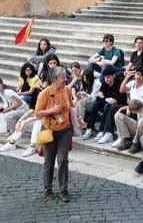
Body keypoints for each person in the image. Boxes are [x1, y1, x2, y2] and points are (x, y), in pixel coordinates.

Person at [35, 66, 73, 202]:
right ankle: (48, 188)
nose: (66, 79)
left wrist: (77, 118)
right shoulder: (44, 94)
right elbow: (37, 113)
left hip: (65, 129)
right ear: (55, 79)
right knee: (48, 161)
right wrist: (51, 110)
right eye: (63, 77)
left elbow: (71, 105)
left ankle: (63, 189)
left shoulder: (67, 90)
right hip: (49, 130)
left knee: (63, 160)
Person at [82, 67, 127, 143]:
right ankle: (90, 128)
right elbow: (98, 98)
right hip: (108, 105)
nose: (106, 79)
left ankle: (102, 130)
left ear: (113, 76)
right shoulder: (104, 84)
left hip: (119, 107)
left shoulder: (119, 84)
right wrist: (106, 99)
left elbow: (115, 100)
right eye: (105, 77)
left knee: (107, 105)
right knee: (96, 104)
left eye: (108, 77)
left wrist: (104, 98)